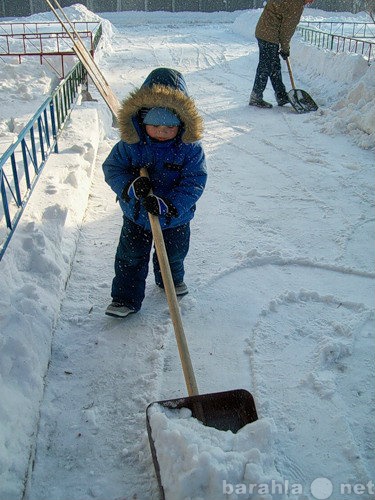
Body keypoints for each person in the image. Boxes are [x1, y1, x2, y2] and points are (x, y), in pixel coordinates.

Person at [102, 67, 207, 318]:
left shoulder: (189, 149)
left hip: (174, 218)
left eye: (169, 127)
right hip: (137, 215)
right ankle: (125, 299)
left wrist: (170, 206)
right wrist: (130, 186)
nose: (161, 131)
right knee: (130, 257)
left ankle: (169, 280)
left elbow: (194, 181)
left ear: (182, 123)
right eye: (155, 124)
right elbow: (113, 168)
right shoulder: (131, 144)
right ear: (142, 119)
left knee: (173, 254)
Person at [249, 0, 314, 109]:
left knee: (273, 66)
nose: (312, 1)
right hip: (269, 34)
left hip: (264, 30)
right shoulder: (296, 4)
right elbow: (287, 29)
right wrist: (285, 48)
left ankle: (281, 95)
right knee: (265, 66)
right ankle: (256, 96)